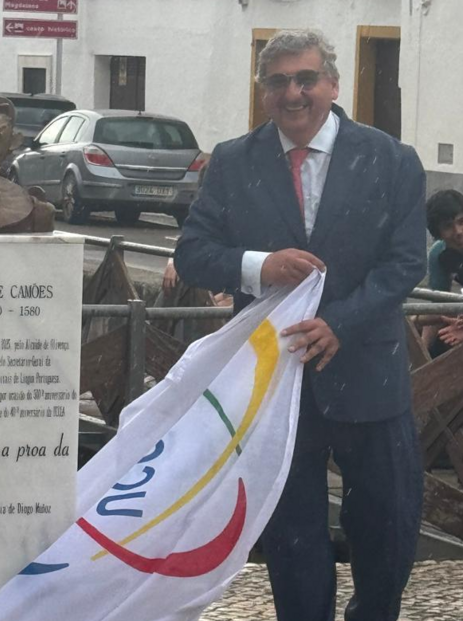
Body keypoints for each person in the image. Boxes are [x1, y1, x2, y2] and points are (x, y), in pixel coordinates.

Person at [174, 30, 425, 621]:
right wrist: (261, 265)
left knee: (386, 526)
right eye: (278, 81)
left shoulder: (391, 159)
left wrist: (339, 322)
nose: (294, 93)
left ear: (332, 84)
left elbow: (405, 263)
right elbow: (192, 252)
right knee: (291, 534)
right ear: (263, 92)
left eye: (306, 78)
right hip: (274, 380)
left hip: (367, 373)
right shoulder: (234, 160)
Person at [421, 190, 463, 353]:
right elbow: (440, 305)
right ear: (437, 234)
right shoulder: (439, 255)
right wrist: (421, 355)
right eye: (448, 226)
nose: (458, 231)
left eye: (462, 221)